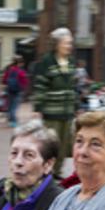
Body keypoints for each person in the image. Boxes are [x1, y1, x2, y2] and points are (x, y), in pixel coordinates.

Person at [33, 28, 79, 177]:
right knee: (50, 144)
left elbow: (74, 86)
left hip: (67, 111)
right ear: (57, 44)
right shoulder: (46, 62)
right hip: (51, 112)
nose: (69, 46)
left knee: (64, 145)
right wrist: (38, 108)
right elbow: (40, 86)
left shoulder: (71, 62)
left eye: (70, 43)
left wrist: (76, 106)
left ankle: (57, 172)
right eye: (66, 43)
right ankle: (45, 172)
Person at [2, 55, 29, 128]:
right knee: (14, 107)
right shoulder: (21, 72)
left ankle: (10, 120)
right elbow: (25, 81)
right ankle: (13, 122)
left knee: (10, 106)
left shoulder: (9, 70)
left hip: (9, 90)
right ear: (19, 63)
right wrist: (23, 88)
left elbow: (4, 80)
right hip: (18, 91)